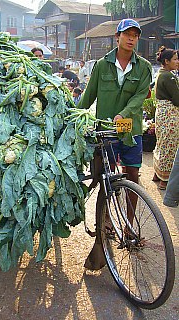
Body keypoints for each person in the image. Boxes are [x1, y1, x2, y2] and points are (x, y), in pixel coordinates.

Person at [79, 18, 152, 271]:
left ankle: (129, 225)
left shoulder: (143, 67)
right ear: (117, 37)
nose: (131, 38)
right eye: (127, 34)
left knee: (131, 175)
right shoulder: (102, 65)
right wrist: (73, 118)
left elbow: (141, 96)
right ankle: (107, 221)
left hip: (130, 130)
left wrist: (124, 114)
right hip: (105, 132)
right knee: (106, 179)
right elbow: (89, 97)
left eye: (136, 35)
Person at [152, 47, 179, 190]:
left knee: (162, 143)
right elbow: (177, 99)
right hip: (170, 115)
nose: (177, 61)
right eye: (175, 59)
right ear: (166, 61)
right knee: (171, 145)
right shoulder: (169, 76)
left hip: (162, 113)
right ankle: (165, 180)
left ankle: (158, 173)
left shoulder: (161, 73)